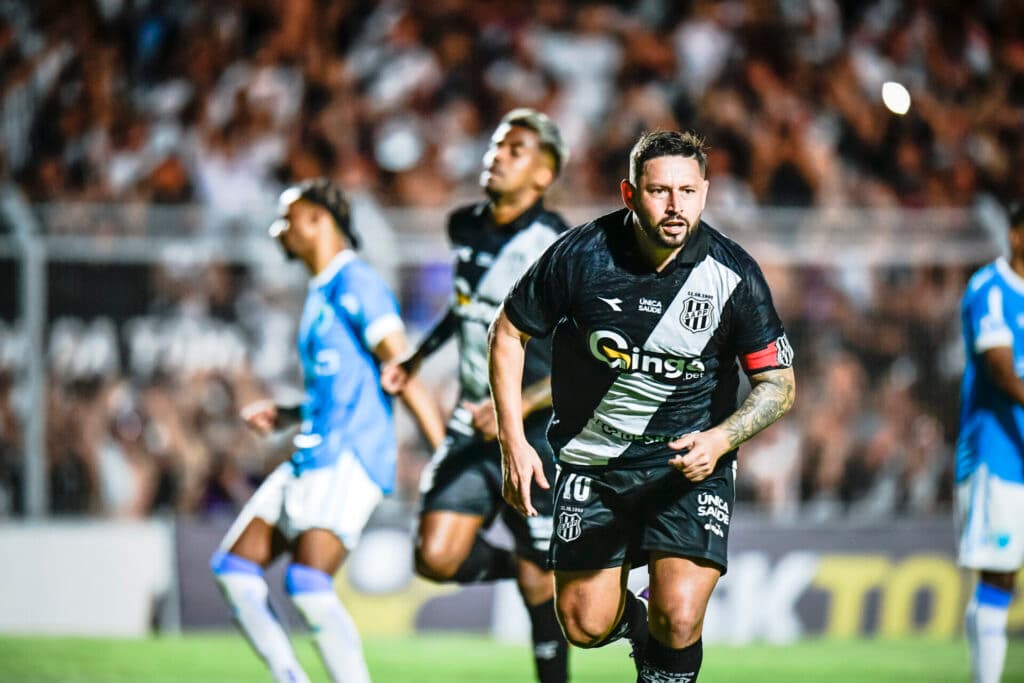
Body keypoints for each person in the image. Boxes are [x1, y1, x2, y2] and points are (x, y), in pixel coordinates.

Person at [488, 130, 796, 682]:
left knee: (678, 614)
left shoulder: (734, 275)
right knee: (583, 624)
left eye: (688, 191)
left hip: (687, 466)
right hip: (593, 461)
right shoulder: (581, 256)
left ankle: (661, 637)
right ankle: (640, 628)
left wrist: (722, 439)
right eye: (660, 191)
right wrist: (514, 443)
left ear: (705, 192)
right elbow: (508, 333)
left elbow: (778, 384)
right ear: (629, 194)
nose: (676, 206)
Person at [210, 178, 445, 683]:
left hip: (349, 456)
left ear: (320, 220)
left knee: (307, 584)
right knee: (233, 570)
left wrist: (443, 452)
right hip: (312, 450)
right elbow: (340, 387)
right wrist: (289, 414)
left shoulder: (357, 283)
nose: (278, 230)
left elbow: (402, 370)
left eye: (287, 218)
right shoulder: (321, 292)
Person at [380, 108, 571, 683]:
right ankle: (525, 567)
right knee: (436, 557)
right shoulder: (464, 225)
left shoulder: (557, 246)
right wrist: (418, 356)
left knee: (560, 602)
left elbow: (584, 358)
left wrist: (516, 408)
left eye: (516, 149)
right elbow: (465, 306)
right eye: (496, 145)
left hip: (537, 430)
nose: (497, 156)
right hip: (472, 418)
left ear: (543, 175)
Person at [956, 200, 1024, 683]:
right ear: (1016, 235)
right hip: (997, 453)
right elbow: (1000, 368)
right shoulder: (991, 288)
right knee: (999, 573)